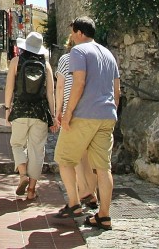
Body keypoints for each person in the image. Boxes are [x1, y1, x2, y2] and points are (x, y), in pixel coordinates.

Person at [53, 17, 120, 230]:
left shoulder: (78, 52)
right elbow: (116, 89)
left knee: (64, 158)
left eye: (73, 32)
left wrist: (68, 113)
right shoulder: (108, 54)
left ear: (80, 32)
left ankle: (74, 204)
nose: (71, 37)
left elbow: (79, 82)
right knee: (103, 168)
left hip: (84, 114)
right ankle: (104, 215)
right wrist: (112, 111)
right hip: (107, 114)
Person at [4, 31, 56, 201]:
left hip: (19, 110)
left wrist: (7, 108)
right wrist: (53, 115)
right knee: (37, 150)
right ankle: (32, 190)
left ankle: (22, 174)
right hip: (40, 112)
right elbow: (50, 93)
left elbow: (9, 88)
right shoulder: (46, 65)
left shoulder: (16, 62)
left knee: (17, 143)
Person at [55, 37, 98, 209]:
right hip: (92, 111)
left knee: (71, 157)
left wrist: (59, 111)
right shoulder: (93, 60)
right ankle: (92, 194)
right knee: (87, 157)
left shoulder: (66, 59)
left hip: (72, 112)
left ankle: (81, 194)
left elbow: (60, 87)